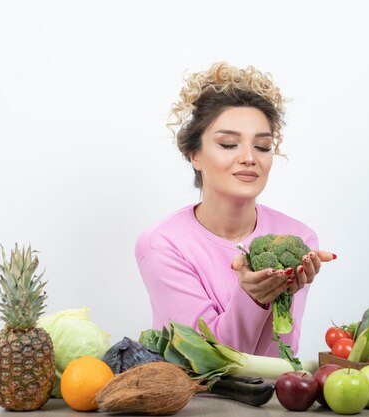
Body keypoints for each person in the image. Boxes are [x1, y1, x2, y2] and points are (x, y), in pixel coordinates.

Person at [135, 62, 336, 357]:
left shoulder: (298, 238)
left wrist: (278, 295)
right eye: (228, 144)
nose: (248, 158)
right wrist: (252, 298)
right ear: (195, 155)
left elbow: (277, 355)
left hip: (279, 400)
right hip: (196, 400)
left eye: (263, 146)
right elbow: (207, 360)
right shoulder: (162, 244)